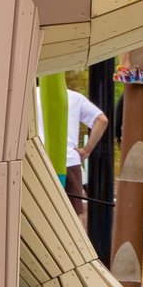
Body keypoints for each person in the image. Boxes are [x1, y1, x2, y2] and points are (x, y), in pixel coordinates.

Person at [62, 88, 108, 218]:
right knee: (73, 215)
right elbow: (102, 120)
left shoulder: (29, 95)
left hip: (35, 158)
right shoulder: (74, 97)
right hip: (69, 160)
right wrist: (86, 150)